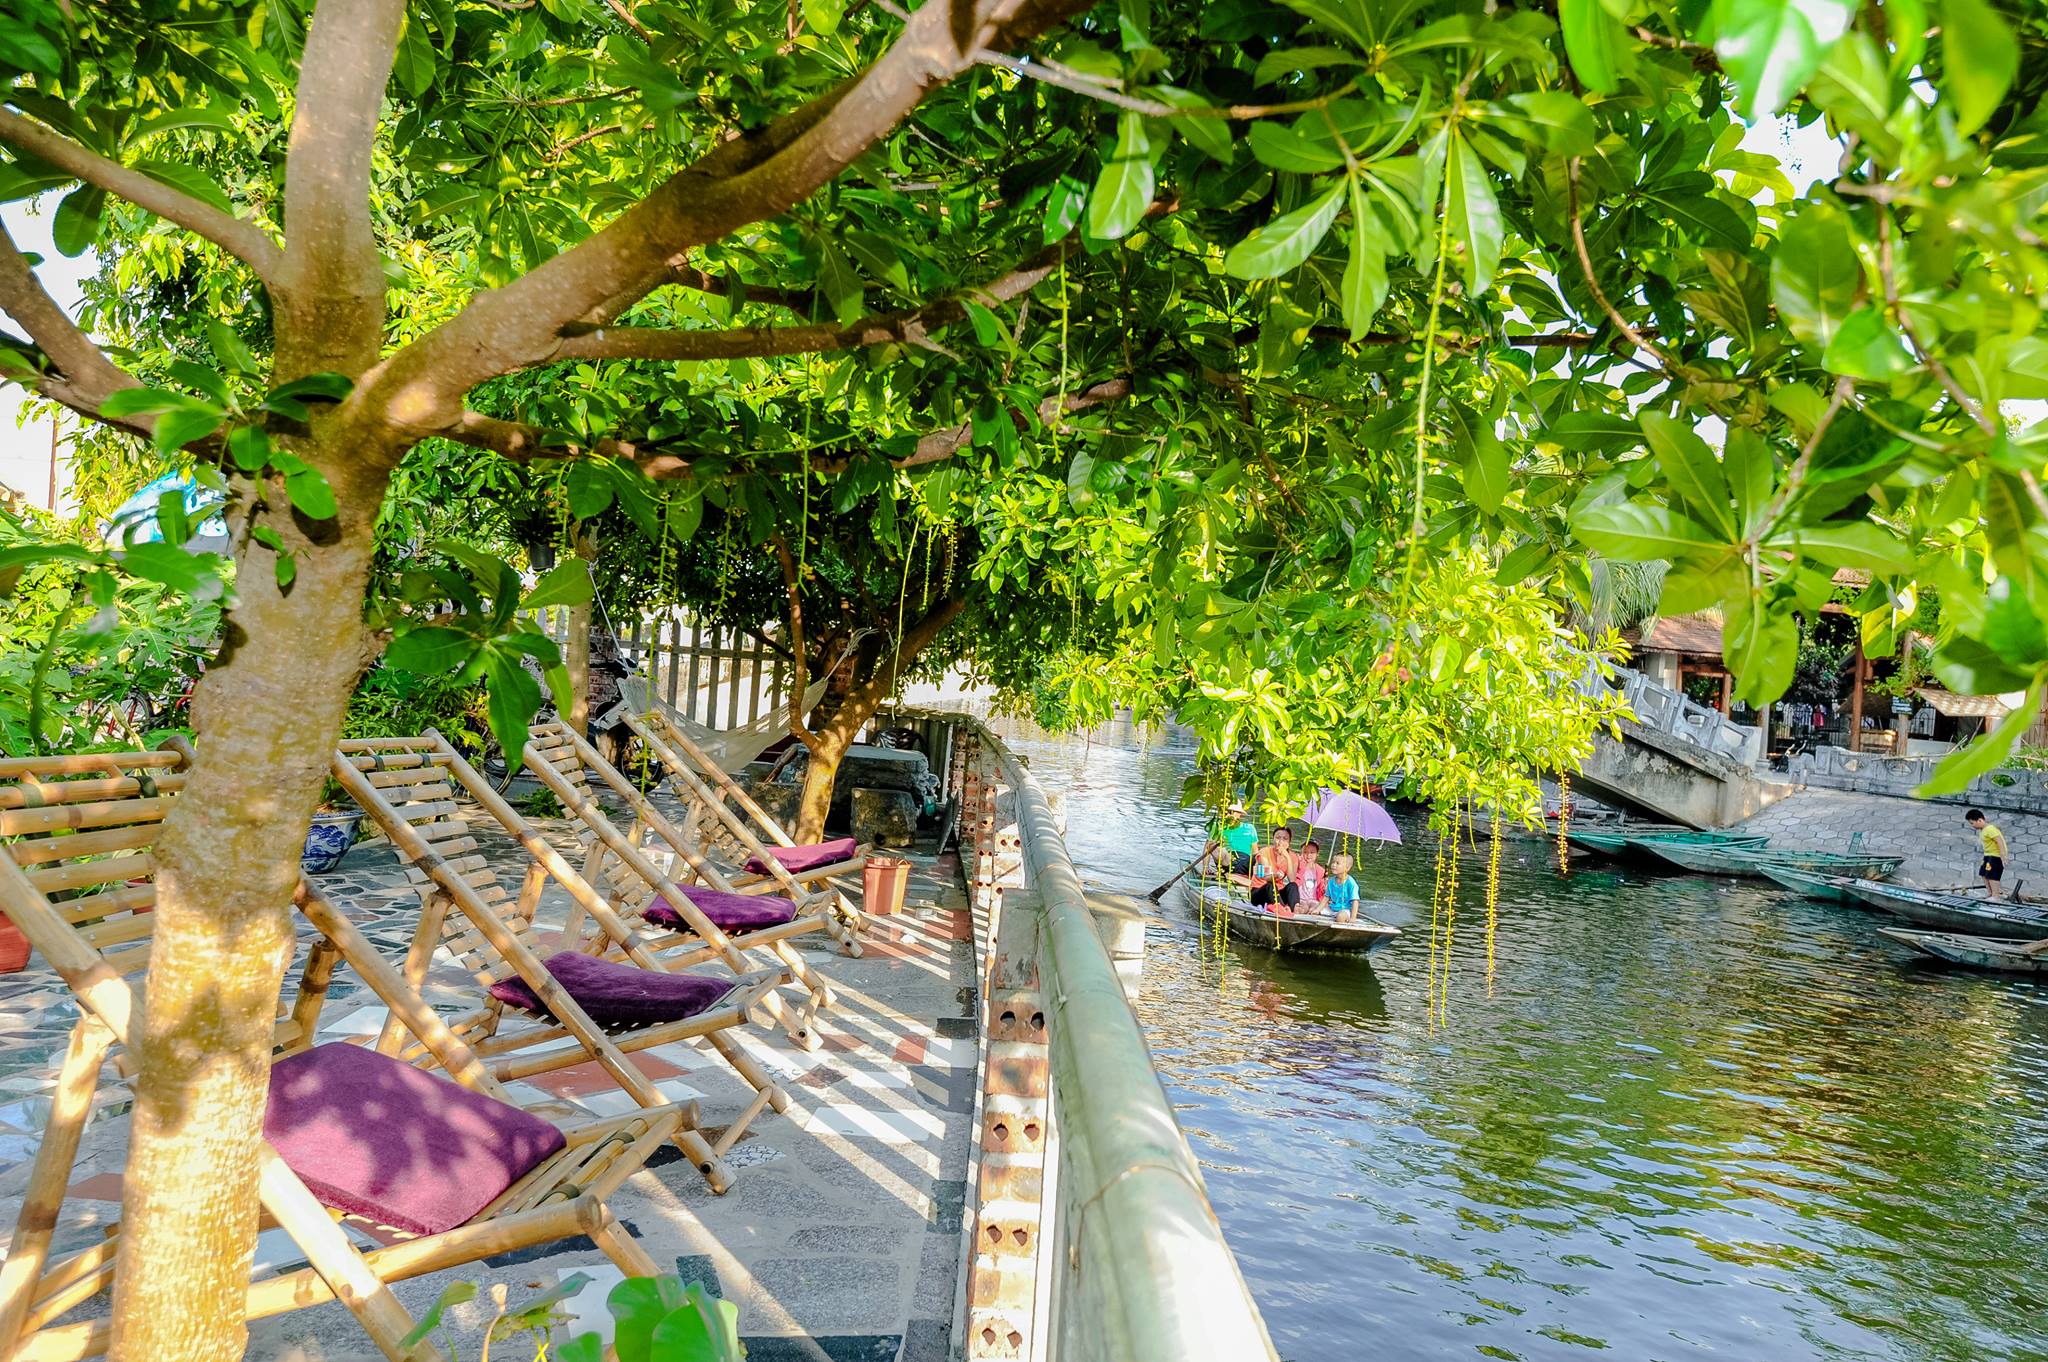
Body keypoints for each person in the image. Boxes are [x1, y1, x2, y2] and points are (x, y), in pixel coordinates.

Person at [1206, 801, 1260, 888]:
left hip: (1246, 863)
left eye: (1232, 812)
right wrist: (1206, 867)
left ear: (1239, 814)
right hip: (1227, 860)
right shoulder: (1217, 827)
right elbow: (1207, 848)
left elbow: (1255, 852)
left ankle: (1258, 882)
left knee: (1262, 856)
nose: (1229, 815)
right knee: (1219, 850)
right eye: (1227, 812)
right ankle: (1229, 875)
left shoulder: (1249, 828)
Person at [1249, 826, 1299, 911]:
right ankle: (1282, 910)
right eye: (1278, 838)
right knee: (1270, 885)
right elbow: (1267, 877)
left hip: (1277, 893)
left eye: (1285, 839)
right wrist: (1276, 875)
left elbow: (1292, 880)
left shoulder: (1293, 856)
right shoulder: (1264, 852)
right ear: (1273, 839)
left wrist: (1287, 857)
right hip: (1260, 891)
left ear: (1289, 842)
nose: (1280, 842)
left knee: (1293, 886)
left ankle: (1294, 909)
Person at [1967, 808, 2010, 899]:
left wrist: (2003, 855)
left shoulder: (1990, 829)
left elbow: (1999, 841)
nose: (1972, 825)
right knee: (1983, 873)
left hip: (1995, 856)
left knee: (1992, 875)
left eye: (1972, 823)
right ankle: (1990, 893)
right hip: (1988, 855)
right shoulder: (1983, 830)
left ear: (1980, 820)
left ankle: (1995, 896)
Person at [1295, 838, 1328, 913]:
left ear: (1317, 854)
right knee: (1303, 909)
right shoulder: (1298, 867)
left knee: (1315, 909)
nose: (1308, 855)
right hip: (1300, 899)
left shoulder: (1321, 871)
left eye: (1312, 852)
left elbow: (1322, 888)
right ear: (1301, 853)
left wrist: (1325, 887)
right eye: (1305, 852)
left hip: (1314, 899)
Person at [1326, 853, 1360, 922]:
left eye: (1337, 863)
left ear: (1347, 868)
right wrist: (1317, 909)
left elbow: (1355, 901)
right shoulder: (1331, 881)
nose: (1333, 865)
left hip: (1345, 910)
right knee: (1313, 908)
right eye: (1333, 862)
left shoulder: (1351, 883)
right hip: (1332, 908)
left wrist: (1353, 918)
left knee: (1340, 917)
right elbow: (1326, 897)